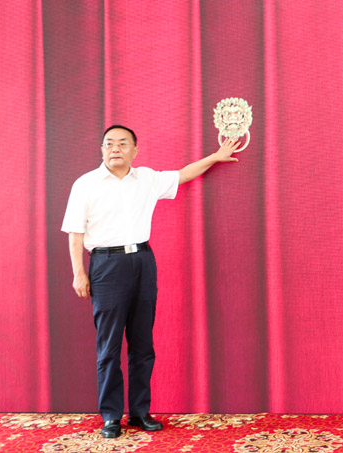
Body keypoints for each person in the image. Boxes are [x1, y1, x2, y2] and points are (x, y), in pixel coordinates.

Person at [61, 125, 240, 438]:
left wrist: (215, 156)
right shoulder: (85, 184)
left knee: (143, 343)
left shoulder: (146, 179)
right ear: (102, 149)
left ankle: (140, 412)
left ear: (135, 150)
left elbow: (183, 175)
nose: (115, 149)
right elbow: (75, 233)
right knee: (109, 346)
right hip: (106, 264)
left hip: (143, 261)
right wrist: (79, 273)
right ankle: (111, 416)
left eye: (122, 143)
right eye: (108, 144)